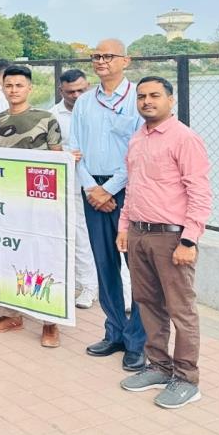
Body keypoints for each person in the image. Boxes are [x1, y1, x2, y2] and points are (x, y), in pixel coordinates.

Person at [117, 77, 212, 409]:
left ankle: (186, 379)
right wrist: (125, 226)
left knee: (180, 310)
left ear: (170, 100)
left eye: (155, 95)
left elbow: (200, 193)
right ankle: (158, 367)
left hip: (172, 237)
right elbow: (132, 188)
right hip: (139, 234)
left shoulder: (185, 139)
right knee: (147, 303)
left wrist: (189, 240)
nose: (147, 101)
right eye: (141, 96)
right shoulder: (137, 139)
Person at [69, 39, 147, 372]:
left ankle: (137, 341)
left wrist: (109, 189)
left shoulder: (137, 99)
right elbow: (74, 148)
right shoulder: (84, 102)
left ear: (125, 61)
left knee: (137, 268)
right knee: (105, 265)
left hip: (128, 190)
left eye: (108, 56)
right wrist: (91, 187)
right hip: (92, 190)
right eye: (96, 56)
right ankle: (114, 331)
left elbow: (139, 152)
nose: (101, 61)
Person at [0, 65, 64, 348]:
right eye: (9, 85)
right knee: (10, 255)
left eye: (19, 85)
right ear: (2, 88)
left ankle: (50, 321)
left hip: (41, 203)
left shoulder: (46, 119)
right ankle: (12, 314)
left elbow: (57, 159)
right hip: (9, 201)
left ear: (30, 88)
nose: (14, 90)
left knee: (44, 257)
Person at [50, 69, 100, 310]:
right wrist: (65, 155)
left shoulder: (99, 109)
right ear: (61, 91)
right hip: (71, 184)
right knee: (80, 235)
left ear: (88, 86)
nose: (77, 95)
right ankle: (88, 286)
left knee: (112, 236)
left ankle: (124, 289)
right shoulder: (52, 116)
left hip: (102, 183)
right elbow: (49, 150)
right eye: (71, 92)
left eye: (81, 90)